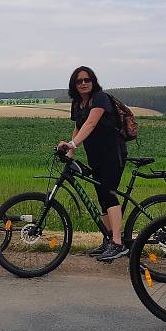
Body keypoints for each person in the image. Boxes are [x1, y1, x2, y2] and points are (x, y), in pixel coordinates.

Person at [57, 66, 128, 261]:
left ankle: (117, 243)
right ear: (74, 84)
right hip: (95, 156)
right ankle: (108, 240)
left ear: (93, 81)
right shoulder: (77, 104)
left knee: (110, 194)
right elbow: (78, 127)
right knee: (102, 198)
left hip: (113, 153)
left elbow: (90, 124)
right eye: (79, 81)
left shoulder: (100, 98)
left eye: (87, 79)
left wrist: (72, 144)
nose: (84, 83)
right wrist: (70, 154)